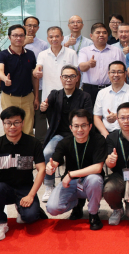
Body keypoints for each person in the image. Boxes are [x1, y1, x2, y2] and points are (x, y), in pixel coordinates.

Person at [0, 107, 47, 241]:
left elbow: (42, 169)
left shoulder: (33, 143)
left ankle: (23, 209)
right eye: (8, 123)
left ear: (22, 123)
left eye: (16, 122)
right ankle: (0, 224)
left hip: (25, 188)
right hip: (4, 189)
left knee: (30, 217)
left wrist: (31, 195)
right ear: (3, 124)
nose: (12, 126)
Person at [45, 109, 107, 230]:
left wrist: (70, 174)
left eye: (83, 125)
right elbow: (55, 161)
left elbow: (98, 167)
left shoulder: (98, 140)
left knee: (94, 180)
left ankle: (93, 214)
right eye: (76, 126)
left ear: (90, 126)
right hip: (71, 183)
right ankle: (77, 203)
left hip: (89, 182)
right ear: (71, 127)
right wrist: (50, 167)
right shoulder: (64, 142)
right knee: (52, 208)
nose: (80, 130)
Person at [39, 65, 93, 202]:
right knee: (47, 152)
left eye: (72, 76)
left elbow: (88, 117)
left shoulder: (85, 96)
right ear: (61, 78)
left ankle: (84, 185)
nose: (68, 79)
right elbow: (44, 110)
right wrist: (43, 108)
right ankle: (49, 186)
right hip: (59, 135)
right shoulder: (54, 95)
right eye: (65, 76)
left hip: (79, 135)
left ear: (77, 78)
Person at [34, 26, 79, 142]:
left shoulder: (71, 53)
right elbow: (38, 68)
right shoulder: (42, 54)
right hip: (50, 97)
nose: (54, 39)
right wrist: (36, 72)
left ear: (62, 38)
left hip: (69, 96)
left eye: (57, 36)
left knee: (72, 125)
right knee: (53, 127)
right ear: (47, 39)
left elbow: (76, 74)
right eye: (51, 37)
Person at [0, 25, 39, 136]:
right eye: (15, 35)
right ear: (9, 37)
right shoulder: (2, 55)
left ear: (25, 37)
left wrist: (36, 97)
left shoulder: (30, 54)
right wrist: (4, 78)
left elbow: (34, 77)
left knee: (28, 129)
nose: (18, 38)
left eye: (21, 35)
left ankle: (27, 147)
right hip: (9, 97)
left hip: (28, 97)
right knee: (11, 128)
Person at [78, 22, 126, 105]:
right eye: (98, 32)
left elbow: (123, 71)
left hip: (111, 88)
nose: (101, 35)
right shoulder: (85, 51)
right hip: (90, 89)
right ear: (91, 36)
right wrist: (88, 64)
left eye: (104, 33)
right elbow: (81, 68)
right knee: (90, 112)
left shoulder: (116, 51)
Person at [93, 61, 129, 137]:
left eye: (119, 72)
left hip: (128, 133)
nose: (116, 75)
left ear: (125, 74)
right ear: (108, 74)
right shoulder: (102, 93)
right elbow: (97, 117)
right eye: (113, 72)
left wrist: (116, 116)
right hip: (107, 133)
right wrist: (105, 134)